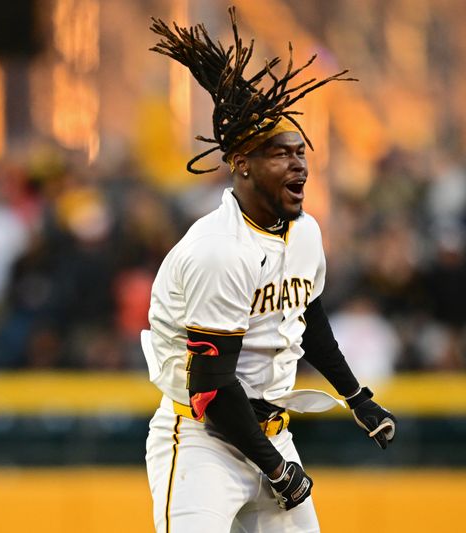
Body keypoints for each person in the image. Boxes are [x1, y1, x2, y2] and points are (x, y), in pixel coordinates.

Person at [141, 9, 396, 533]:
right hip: (202, 442)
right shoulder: (218, 249)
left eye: (301, 152)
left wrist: (357, 397)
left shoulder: (304, 232)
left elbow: (306, 316)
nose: (299, 164)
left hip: (272, 431)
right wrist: (277, 470)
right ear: (243, 163)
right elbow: (211, 389)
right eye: (281, 153)